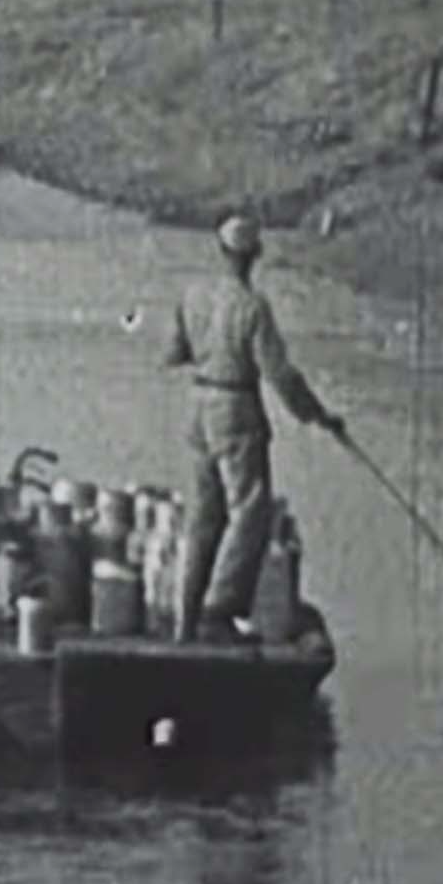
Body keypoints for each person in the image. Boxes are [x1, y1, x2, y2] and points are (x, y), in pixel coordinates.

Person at [163, 212, 344, 643]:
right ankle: (219, 610)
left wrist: (209, 351)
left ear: (221, 251)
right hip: (236, 408)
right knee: (250, 510)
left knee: (204, 516)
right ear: (251, 257)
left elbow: (173, 353)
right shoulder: (251, 306)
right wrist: (316, 414)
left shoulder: (193, 295)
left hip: (198, 405)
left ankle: (184, 622)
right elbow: (280, 375)